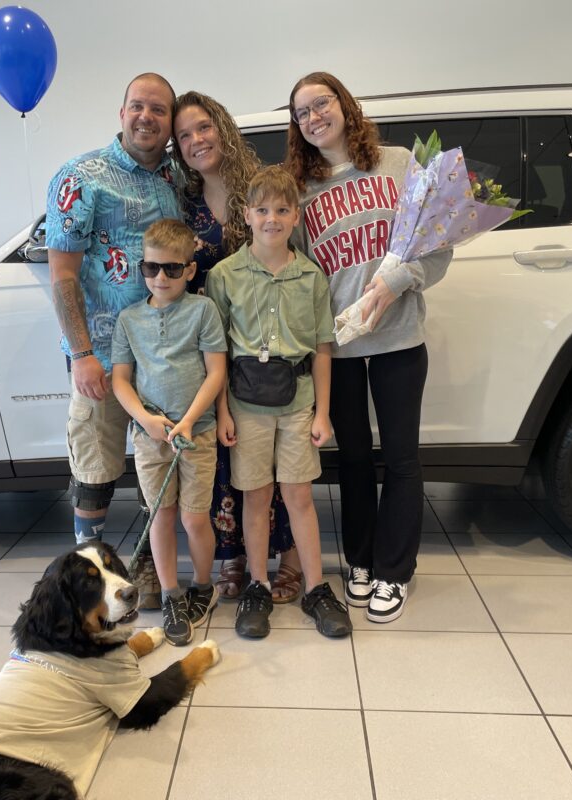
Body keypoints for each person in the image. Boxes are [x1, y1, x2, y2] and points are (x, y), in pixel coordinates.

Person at [285, 72, 452, 623]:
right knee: (353, 459)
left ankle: (393, 571)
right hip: (338, 350)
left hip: (400, 339)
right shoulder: (301, 191)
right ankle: (359, 560)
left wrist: (396, 282)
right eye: (302, 112)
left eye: (321, 103)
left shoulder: (398, 163)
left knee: (401, 458)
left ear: (344, 104)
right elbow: (302, 272)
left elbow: (438, 245)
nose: (314, 117)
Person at [45, 73, 179, 607]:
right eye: (138, 106)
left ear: (170, 121)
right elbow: (62, 274)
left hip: (163, 355)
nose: (147, 117)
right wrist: (81, 353)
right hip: (100, 354)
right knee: (95, 465)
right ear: (122, 112)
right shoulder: (82, 177)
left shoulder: (176, 178)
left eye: (159, 110)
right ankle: (91, 566)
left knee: (156, 461)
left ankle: (147, 559)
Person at [205, 165, 351, 640]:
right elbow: (217, 353)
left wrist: (323, 412)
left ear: (296, 216)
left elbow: (323, 348)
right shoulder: (224, 276)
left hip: (298, 403)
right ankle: (258, 585)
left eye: (282, 210)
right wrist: (222, 411)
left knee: (299, 495)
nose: (272, 218)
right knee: (256, 496)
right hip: (245, 405)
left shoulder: (311, 277)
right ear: (247, 215)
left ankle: (316, 587)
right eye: (263, 210)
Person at [170, 91, 302, 605]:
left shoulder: (263, 187)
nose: (196, 140)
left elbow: (295, 259)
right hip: (208, 349)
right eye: (184, 135)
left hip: (266, 348)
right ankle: (234, 557)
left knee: (275, 454)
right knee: (223, 453)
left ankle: (288, 555)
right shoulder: (182, 205)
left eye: (203, 127)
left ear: (222, 126)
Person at [111, 219, 227, 646]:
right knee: (160, 515)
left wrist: (189, 420)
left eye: (172, 269)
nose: (161, 277)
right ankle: (172, 594)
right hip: (150, 436)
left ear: (190, 270)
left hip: (197, 433)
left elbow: (216, 373)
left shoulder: (203, 311)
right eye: (152, 268)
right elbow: (120, 380)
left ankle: (202, 586)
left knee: (194, 517)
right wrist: (145, 419)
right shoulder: (129, 319)